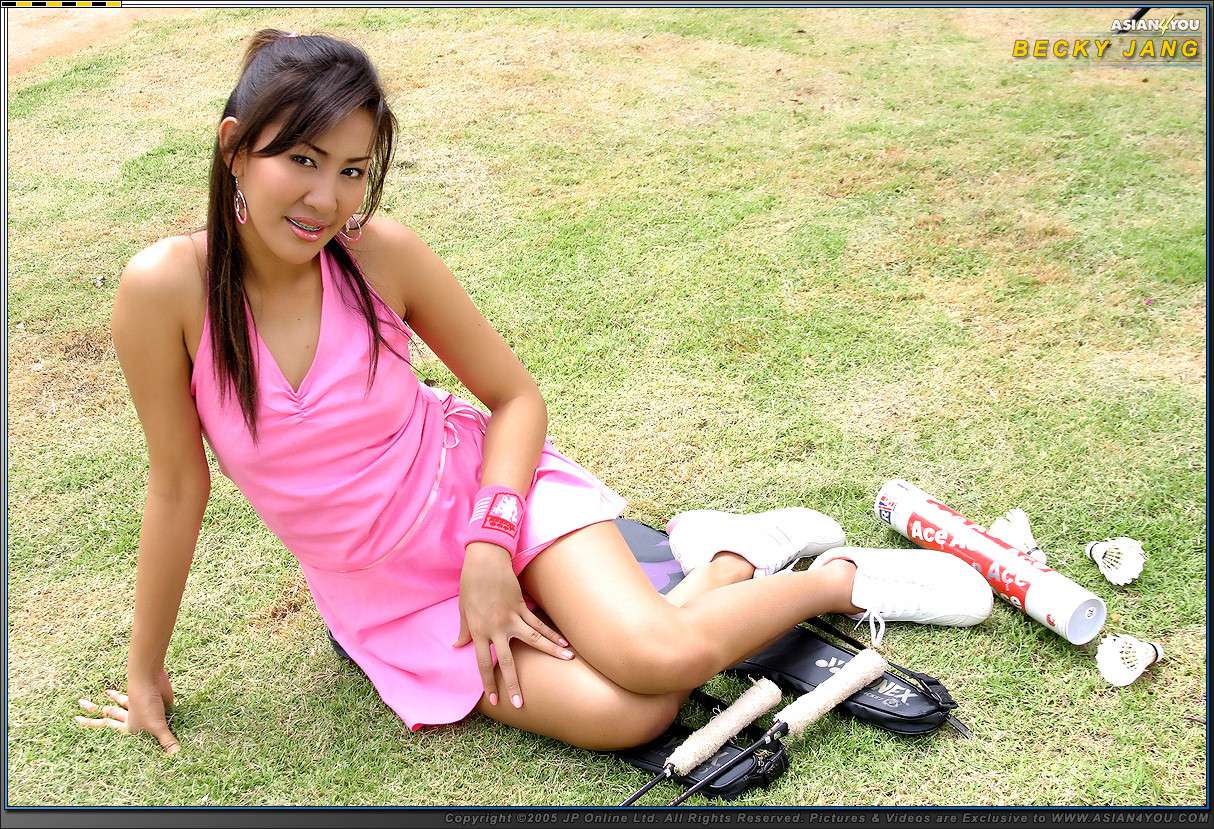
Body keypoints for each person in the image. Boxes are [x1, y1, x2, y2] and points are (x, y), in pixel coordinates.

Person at [75, 28, 993, 756]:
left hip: (490, 499)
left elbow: (515, 398)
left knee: (658, 654)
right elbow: (177, 485)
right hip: (390, 592)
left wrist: (489, 543)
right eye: (304, 160)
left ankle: (835, 580)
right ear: (235, 148)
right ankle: (726, 560)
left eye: (352, 170)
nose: (327, 199)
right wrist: (145, 669)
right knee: (632, 709)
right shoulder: (165, 290)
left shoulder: (379, 255)